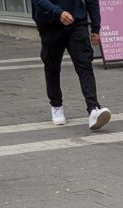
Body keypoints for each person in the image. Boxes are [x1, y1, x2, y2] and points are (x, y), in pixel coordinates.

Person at [31, 0, 112, 130]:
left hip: (76, 22)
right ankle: (56, 105)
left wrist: (96, 27)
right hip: (49, 24)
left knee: (84, 65)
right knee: (52, 67)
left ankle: (93, 109)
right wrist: (58, 12)